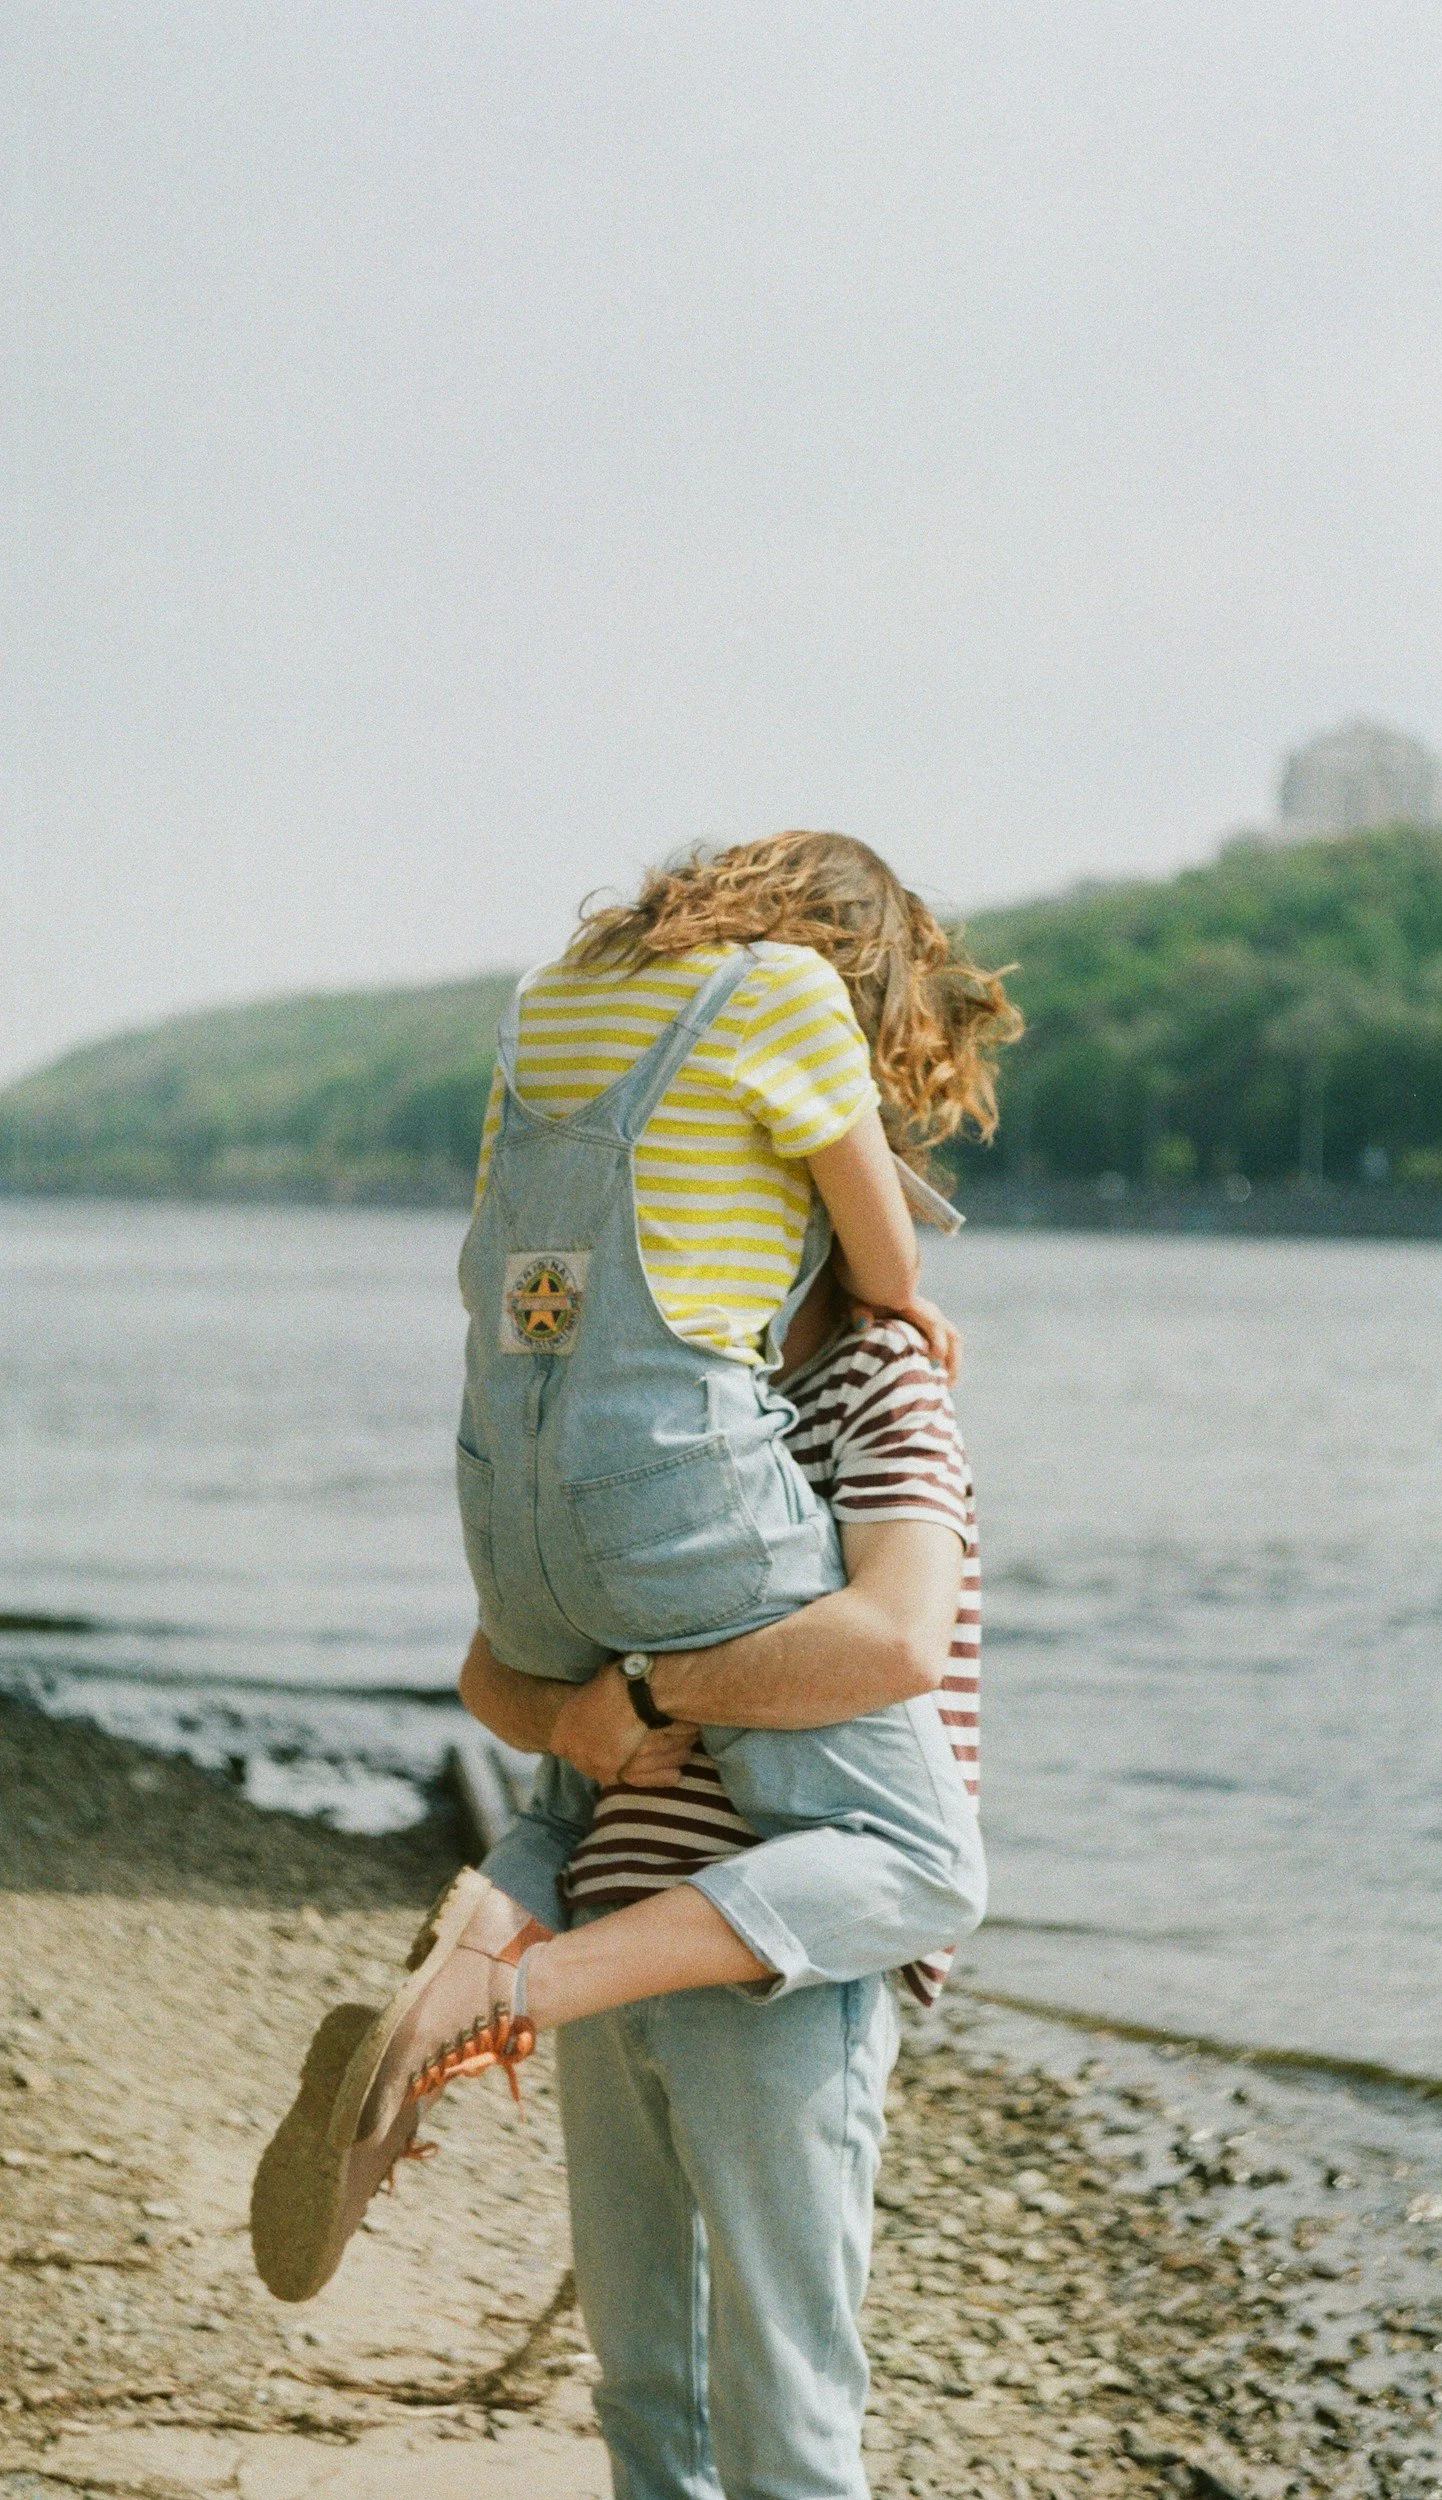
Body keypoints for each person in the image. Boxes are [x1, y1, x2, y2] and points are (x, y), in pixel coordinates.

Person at [252, 833, 1016, 2303]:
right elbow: (883, 1253)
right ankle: (509, 1986)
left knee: (593, 1754)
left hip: (513, 1492)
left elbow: (495, 1255)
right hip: (661, 1480)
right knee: (922, 1861)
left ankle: (498, 1909)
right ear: (860, 968)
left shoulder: (543, 1000)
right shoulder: (788, 995)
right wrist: (903, 1311)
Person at [468, 1266, 984, 2500]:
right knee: (644, 2387)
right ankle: (501, 1977)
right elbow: (491, 1672)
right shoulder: (650, 1408)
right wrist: (581, 1719)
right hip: (608, 1910)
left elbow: (899, 1636)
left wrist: (650, 1689)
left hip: (783, 1951)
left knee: (781, 2417)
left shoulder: (875, 1378)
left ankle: (496, 1982)